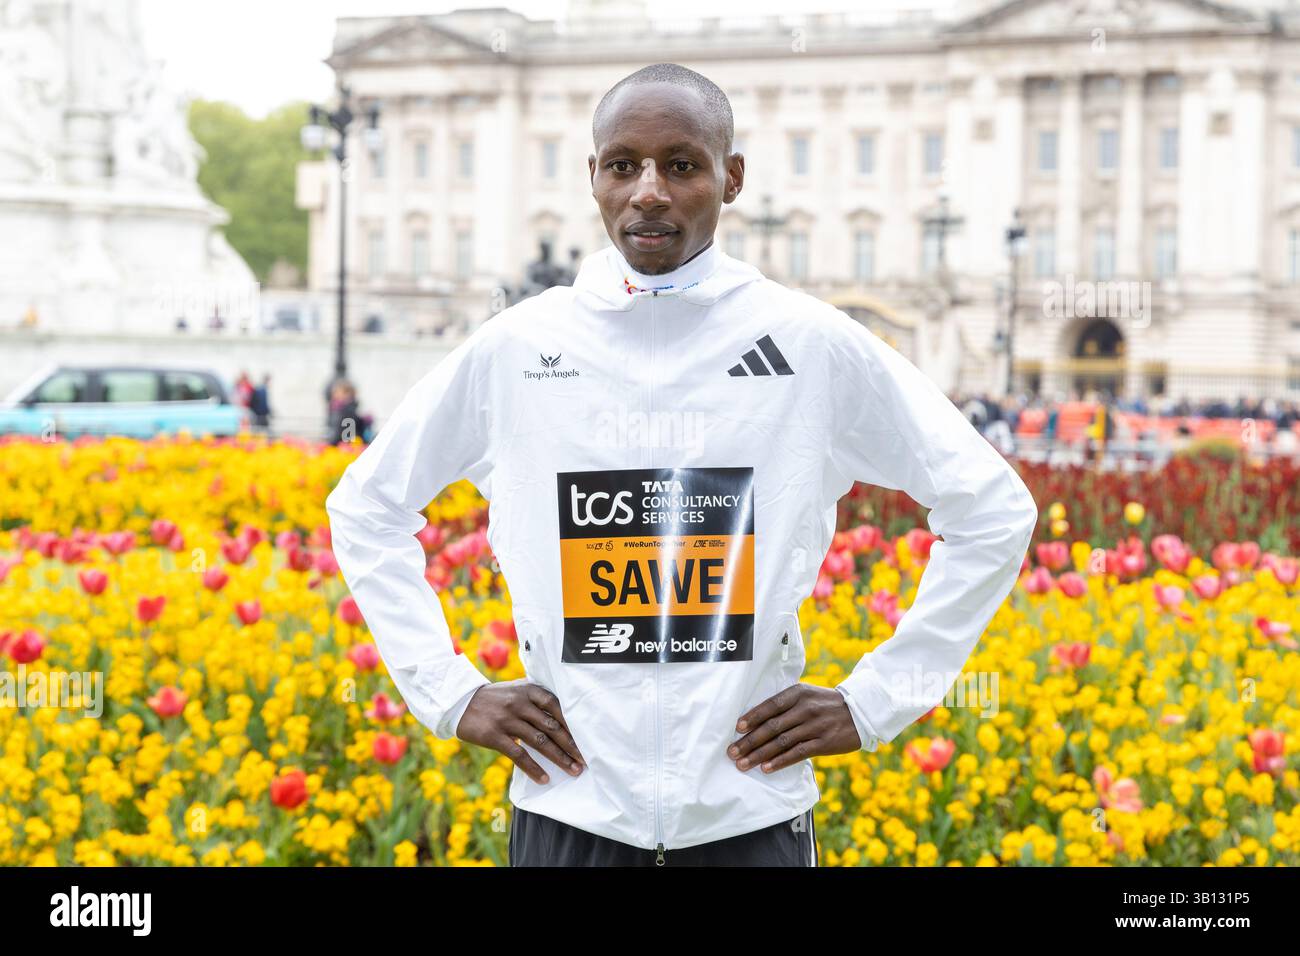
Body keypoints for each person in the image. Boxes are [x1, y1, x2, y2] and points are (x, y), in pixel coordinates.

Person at [324, 63, 1038, 867]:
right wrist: (451, 696)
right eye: (623, 165)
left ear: (731, 178)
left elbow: (992, 511)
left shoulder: (809, 342)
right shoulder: (518, 347)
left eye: (682, 165)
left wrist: (875, 703)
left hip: (748, 818)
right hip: (571, 817)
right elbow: (365, 508)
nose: (650, 191)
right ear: (592, 177)